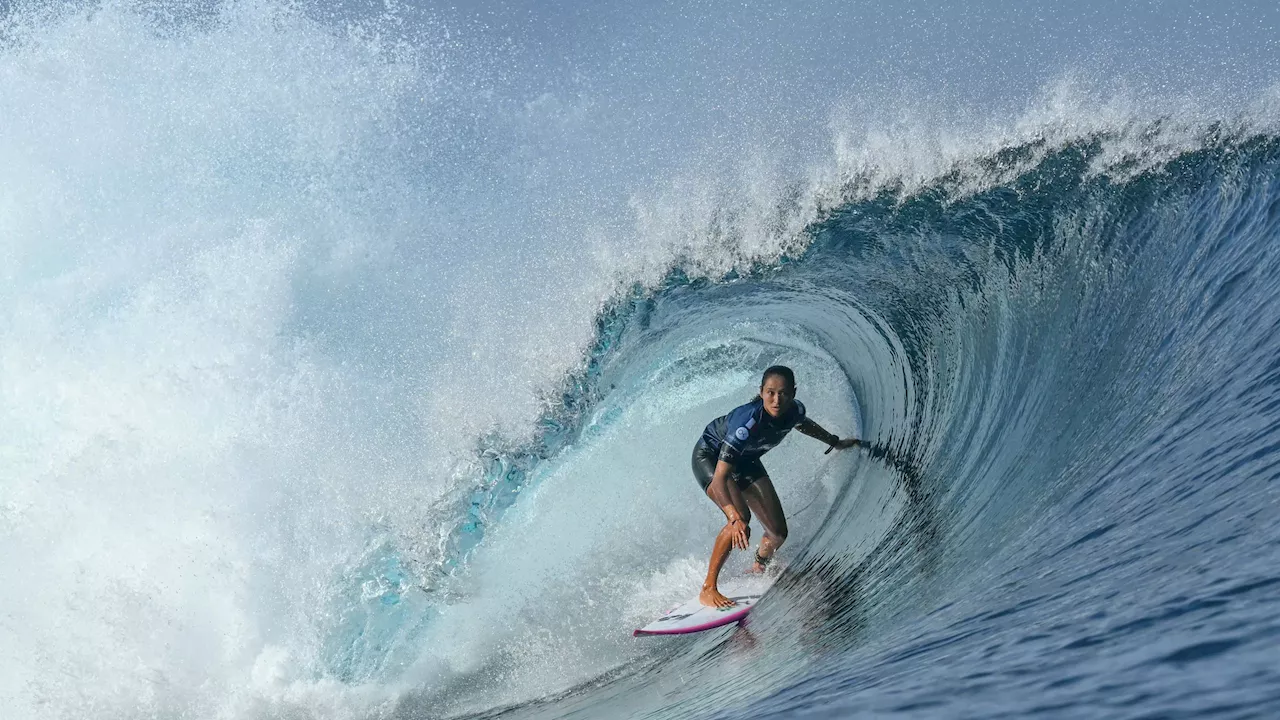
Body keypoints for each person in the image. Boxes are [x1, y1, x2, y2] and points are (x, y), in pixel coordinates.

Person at [692, 365, 858, 608]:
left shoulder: (795, 410)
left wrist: (835, 442)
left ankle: (759, 564)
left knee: (778, 532)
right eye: (770, 392)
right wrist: (733, 516)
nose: (776, 399)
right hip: (712, 458)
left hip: (745, 460)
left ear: (793, 393)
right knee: (742, 519)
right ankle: (708, 588)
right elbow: (719, 479)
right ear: (761, 392)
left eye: (783, 393)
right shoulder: (746, 424)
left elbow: (803, 424)